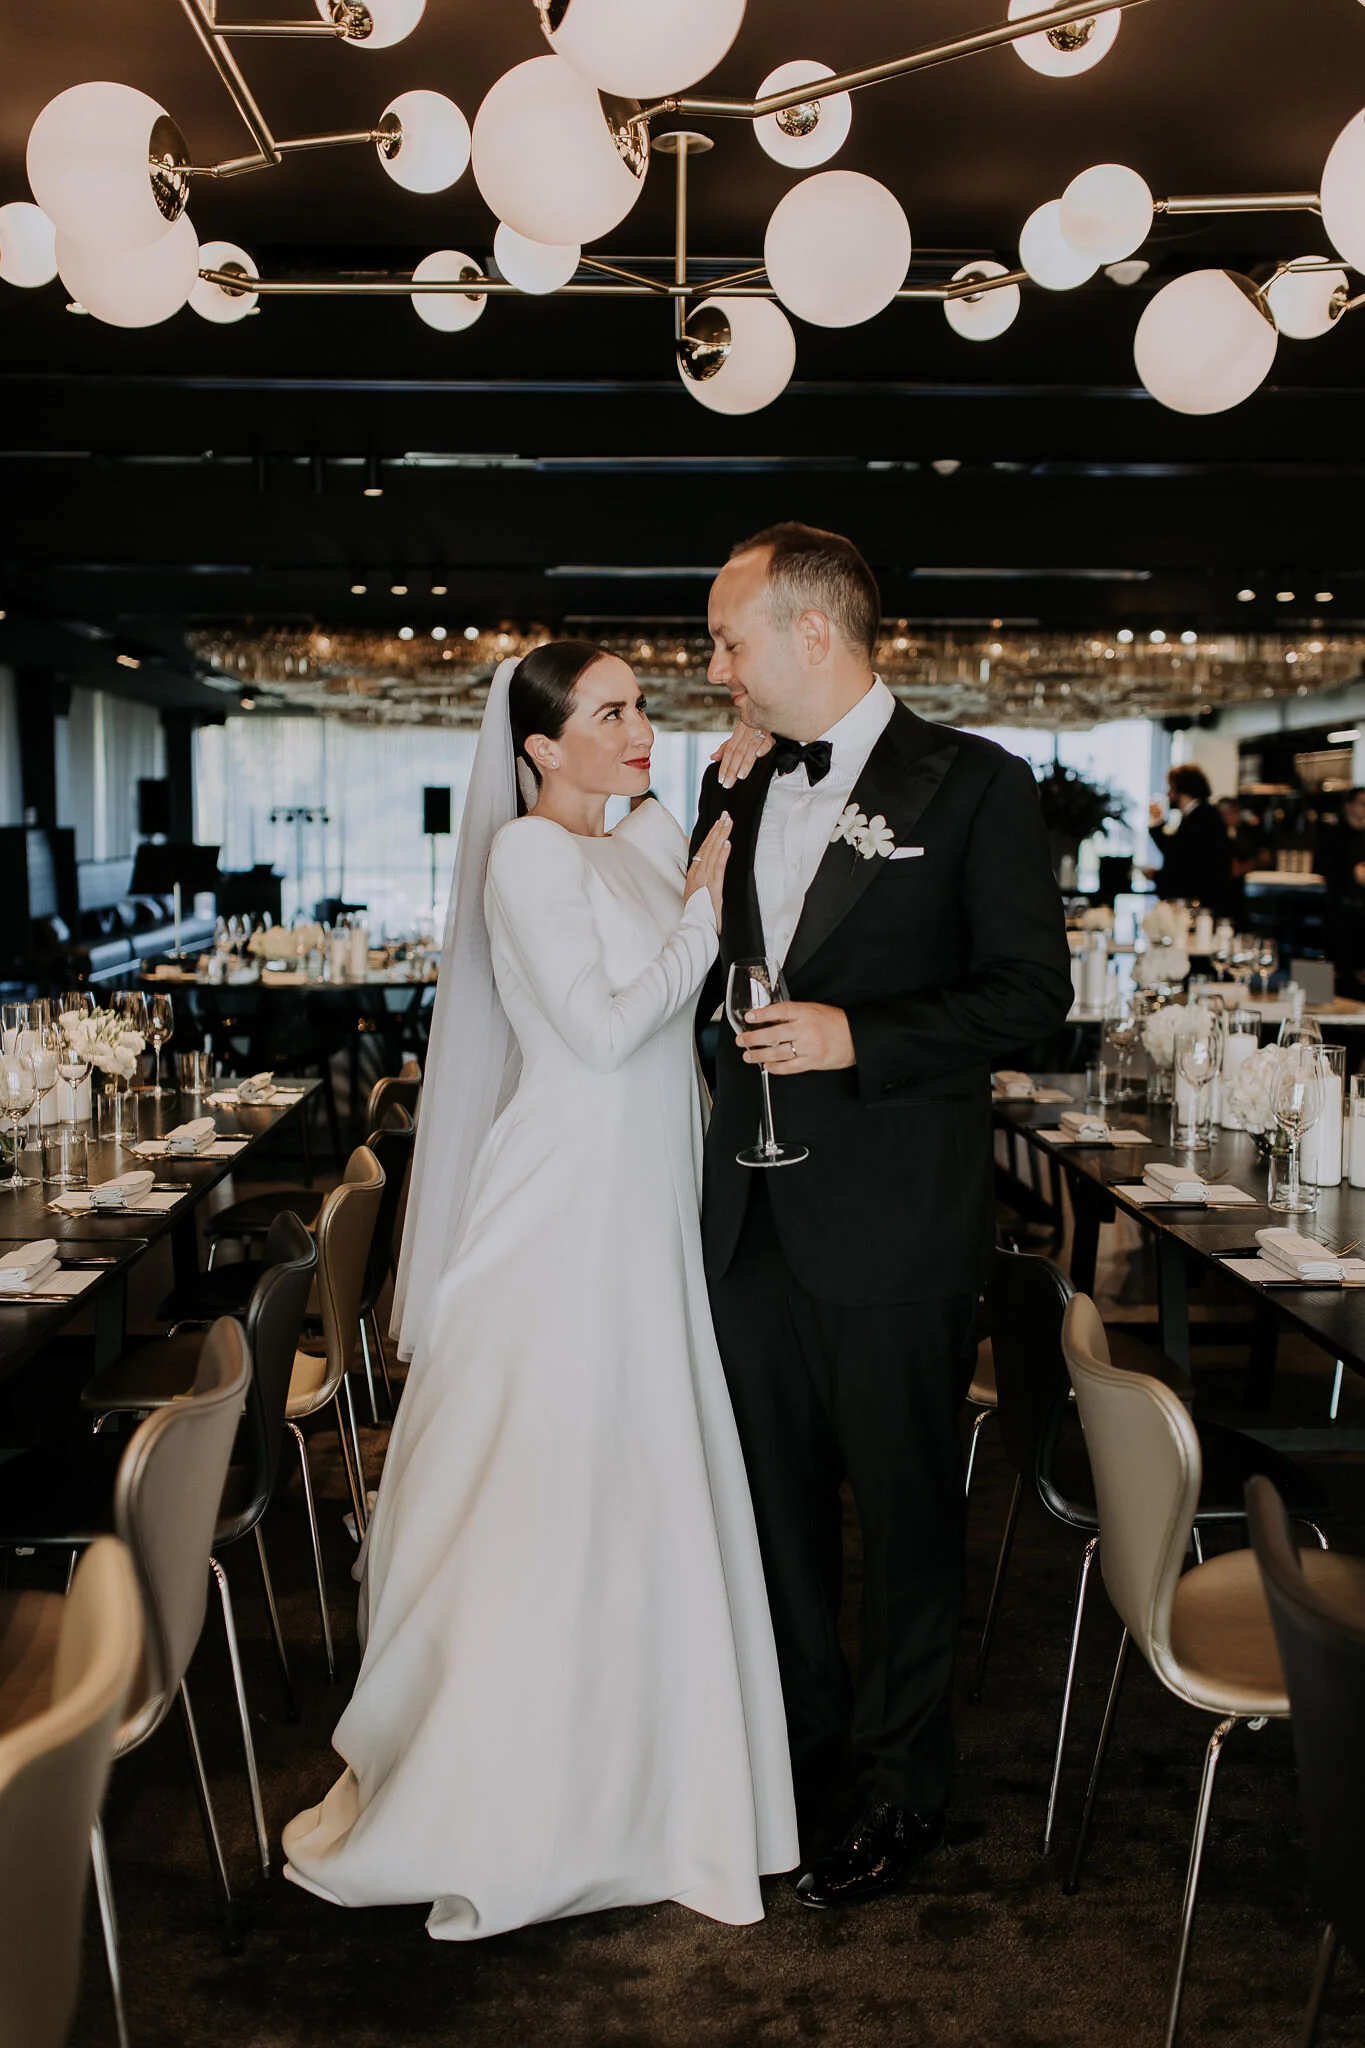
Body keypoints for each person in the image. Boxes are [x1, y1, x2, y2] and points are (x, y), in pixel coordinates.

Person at [283, 642, 798, 1939]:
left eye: (643, 706)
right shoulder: (525, 855)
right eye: (610, 712)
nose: (641, 728)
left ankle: (653, 1783)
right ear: (540, 746)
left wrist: (728, 797)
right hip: (567, 1201)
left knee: (641, 1466)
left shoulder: (638, 836)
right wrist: (700, 905)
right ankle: (519, 1796)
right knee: (550, 1471)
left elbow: (706, 843)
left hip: (646, 1195)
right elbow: (606, 1027)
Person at [692, 523, 1073, 1909]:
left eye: (728, 639)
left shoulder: (973, 785)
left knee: (908, 1519)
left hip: (897, 1222)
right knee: (772, 1517)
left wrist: (864, 1035)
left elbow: (1032, 998)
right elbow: (709, 972)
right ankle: (800, 1761)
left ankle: (905, 1785)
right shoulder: (736, 782)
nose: (715, 667)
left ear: (813, 632)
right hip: (747, 1221)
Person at [1146, 765, 1232, 912]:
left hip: (1199, 901)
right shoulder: (1201, 814)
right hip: (1202, 898)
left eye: (1171, 788)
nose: (1168, 794)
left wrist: (1157, 876)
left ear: (1182, 789)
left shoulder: (1200, 817)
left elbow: (1179, 857)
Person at [1315, 786, 1365, 989]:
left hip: (1363, 913)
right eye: (1362, 803)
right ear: (1349, 806)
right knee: (1340, 972)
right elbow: (1322, 868)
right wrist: (1352, 874)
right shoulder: (1333, 835)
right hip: (1340, 912)